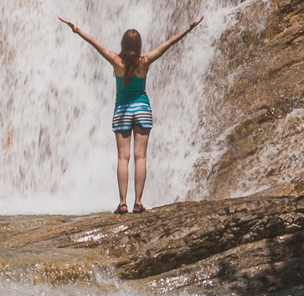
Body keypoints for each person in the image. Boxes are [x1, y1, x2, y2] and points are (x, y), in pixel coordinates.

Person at [57, 14, 204, 214]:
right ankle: (138, 203)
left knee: (123, 158)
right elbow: (168, 44)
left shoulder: (116, 61)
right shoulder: (146, 61)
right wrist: (189, 28)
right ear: (139, 44)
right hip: (142, 110)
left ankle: (122, 203)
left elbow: (95, 44)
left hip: (122, 111)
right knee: (141, 157)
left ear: (123, 44)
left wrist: (76, 29)